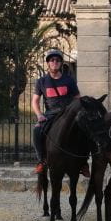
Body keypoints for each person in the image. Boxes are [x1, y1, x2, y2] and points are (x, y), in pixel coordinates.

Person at [31, 49, 90, 177]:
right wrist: (39, 115)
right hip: (50, 114)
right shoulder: (41, 82)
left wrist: (77, 112)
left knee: (85, 130)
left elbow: (77, 98)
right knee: (36, 131)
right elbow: (35, 101)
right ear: (48, 63)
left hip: (68, 114)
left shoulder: (69, 80)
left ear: (60, 63)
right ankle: (42, 160)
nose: (55, 62)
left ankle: (84, 162)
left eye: (57, 60)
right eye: (52, 60)